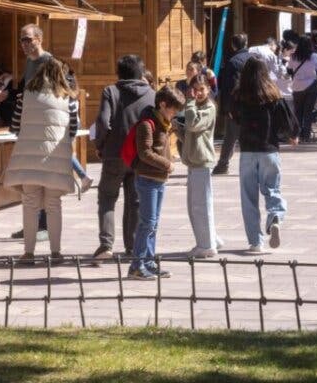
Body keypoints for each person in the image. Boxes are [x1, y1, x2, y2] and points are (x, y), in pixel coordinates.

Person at [4, 57, 78, 263]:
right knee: (54, 204)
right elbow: (73, 128)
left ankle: (28, 253)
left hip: (28, 158)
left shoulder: (24, 96)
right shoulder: (69, 98)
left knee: (29, 204)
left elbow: (15, 126)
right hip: (56, 157)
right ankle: (56, 252)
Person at [92, 54, 155, 261]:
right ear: (140, 72)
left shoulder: (111, 91)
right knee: (134, 200)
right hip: (139, 156)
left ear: (118, 72)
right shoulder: (151, 95)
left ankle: (106, 244)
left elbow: (103, 122)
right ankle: (132, 245)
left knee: (107, 197)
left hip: (114, 153)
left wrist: (101, 145)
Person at [234, 56, 298, 254]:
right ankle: (275, 217)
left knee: (248, 196)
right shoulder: (272, 94)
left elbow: (233, 116)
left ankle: (255, 242)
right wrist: (292, 135)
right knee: (272, 189)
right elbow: (286, 120)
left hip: (247, 150)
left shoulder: (238, 95)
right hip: (269, 149)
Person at [128, 86, 185, 280]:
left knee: (153, 224)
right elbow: (145, 152)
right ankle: (136, 265)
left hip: (159, 180)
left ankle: (149, 262)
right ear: (162, 104)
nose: (175, 113)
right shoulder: (148, 123)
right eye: (173, 109)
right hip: (147, 179)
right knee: (147, 223)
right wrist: (167, 164)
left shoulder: (164, 122)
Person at [180, 73, 221, 259]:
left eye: (201, 89)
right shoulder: (197, 107)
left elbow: (193, 124)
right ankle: (210, 238)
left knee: (200, 206)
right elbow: (191, 132)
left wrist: (189, 102)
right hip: (194, 161)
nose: (198, 93)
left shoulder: (209, 107)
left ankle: (206, 245)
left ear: (208, 89)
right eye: (194, 89)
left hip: (202, 162)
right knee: (194, 205)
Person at [213, 33, 251, 175]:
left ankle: (223, 165)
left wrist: (227, 107)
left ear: (233, 45)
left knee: (230, 137)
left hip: (238, 105)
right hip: (254, 104)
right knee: (250, 135)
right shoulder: (256, 59)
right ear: (246, 43)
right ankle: (251, 165)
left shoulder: (233, 62)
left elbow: (230, 87)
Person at [286, 35, 317, 143]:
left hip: (297, 87)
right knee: (308, 112)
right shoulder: (314, 56)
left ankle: (296, 136)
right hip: (311, 86)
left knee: (298, 113)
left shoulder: (293, 56)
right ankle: (306, 137)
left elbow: (289, 71)